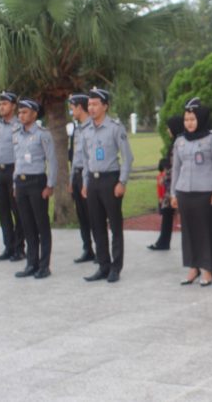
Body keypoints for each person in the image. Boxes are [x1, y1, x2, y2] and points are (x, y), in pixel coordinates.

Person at [171, 98, 212, 287]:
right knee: (188, 232)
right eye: (186, 120)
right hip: (184, 192)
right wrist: (173, 193)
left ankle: (207, 269)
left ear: (200, 119)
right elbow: (176, 168)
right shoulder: (180, 140)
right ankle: (192, 267)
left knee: (206, 232)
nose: (189, 123)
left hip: (205, 193)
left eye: (192, 119)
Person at [81, 88, 133, 283]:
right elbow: (85, 159)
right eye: (89, 105)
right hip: (93, 181)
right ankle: (103, 265)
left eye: (95, 104)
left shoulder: (115, 128)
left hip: (110, 180)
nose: (91, 108)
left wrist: (122, 181)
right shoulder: (86, 130)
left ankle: (115, 267)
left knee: (115, 226)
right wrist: (85, 183)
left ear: (105, 106)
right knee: (97, 225)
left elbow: (128, 157)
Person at [12, 99, 57, 279]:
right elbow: (17, 161)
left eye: (25, 112)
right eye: (19, 112)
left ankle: (44, 266)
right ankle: (31, 263)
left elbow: (52, 160)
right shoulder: (16, 134)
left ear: (34, 114)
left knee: (41, 225)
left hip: (37, 182)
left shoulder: (42, 134)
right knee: (27, 225)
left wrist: (50, 185)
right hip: (21, 182)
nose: (21, 115)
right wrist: (15, 184)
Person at [0, 91, 26, 262]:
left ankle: (19, 248)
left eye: (4, 104)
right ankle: (8, 246)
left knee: (17, 210)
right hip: (0, 170)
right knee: (3, 210)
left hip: (14, 170)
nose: (1, 107)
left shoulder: (19, 125)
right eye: (0, 104)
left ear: (13, 106)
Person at [148, 115, 184, 251]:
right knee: (167, 212)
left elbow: (175, 164)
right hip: (171, 183)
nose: (168, 130)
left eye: (169, 128)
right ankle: (163, 241)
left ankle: (164, 241)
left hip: (176, 184)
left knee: (169, 212)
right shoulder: (175, 142)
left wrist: (165, 165)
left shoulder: (180, 143)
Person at [68, 94, 95, 263]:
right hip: (77, 175)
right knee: (82, 216)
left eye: (72, 108)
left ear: (79, 107)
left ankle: (100, 250)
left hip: (89, 176)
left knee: (93, 215)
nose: (71, 112)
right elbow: (74, 156)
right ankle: (87, 248)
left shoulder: (92, 127)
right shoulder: (77, 129)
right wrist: (71, 179)